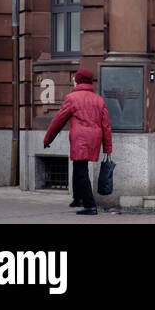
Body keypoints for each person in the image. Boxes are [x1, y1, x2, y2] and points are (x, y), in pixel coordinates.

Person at [43, 68, 112, 215]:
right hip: (95, 138)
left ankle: (90, 205)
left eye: (75, 79)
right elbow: (106, 126)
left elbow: (58, 120)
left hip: (80, 138)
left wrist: (48, 138)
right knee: (78, 166)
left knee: (81, 171)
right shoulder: (99, 100)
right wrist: (107, 149)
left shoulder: (72, 98)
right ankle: (78, 198)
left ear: (78, 81)